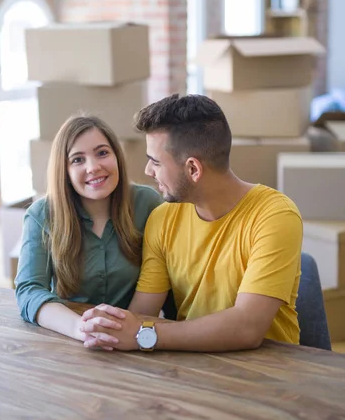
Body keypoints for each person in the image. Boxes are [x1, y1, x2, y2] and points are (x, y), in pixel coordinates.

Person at [80, 94, 303, 353]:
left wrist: (147, 335)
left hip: (270, 373)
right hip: (191, 366)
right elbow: (141, 314)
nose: (148, 171)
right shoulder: (163, 219)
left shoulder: (275, 216)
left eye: (155, 161)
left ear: (193, 169)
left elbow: (247, 328)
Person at [15, 114, 161, 345]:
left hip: (136, 337)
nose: (93, 167)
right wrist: (80, 329)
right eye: (77, 160)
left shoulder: (148, 203)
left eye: (102, 153)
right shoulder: (41, 215)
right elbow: (29, 290)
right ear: (64, 170)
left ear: (117, 156)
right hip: (70, 340)